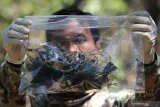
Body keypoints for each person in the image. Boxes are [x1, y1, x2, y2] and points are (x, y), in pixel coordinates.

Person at [0, 7, 159, 107]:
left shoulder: (119, 102)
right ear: (48, 49)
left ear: (98, 46)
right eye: (60, 43)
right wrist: (13, 62)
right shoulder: (33, 102)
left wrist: (148, 60)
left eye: (79, 39)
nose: (71, 50)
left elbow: (151, 102)